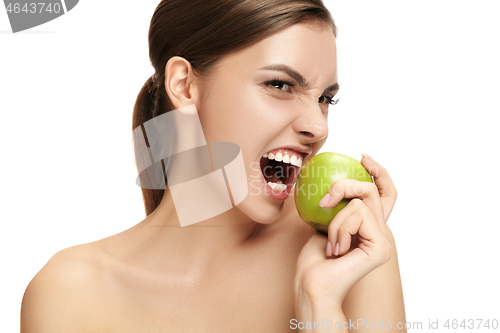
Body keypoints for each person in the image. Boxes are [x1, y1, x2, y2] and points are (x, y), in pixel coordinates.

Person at [20, 0, 406, 331]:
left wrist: (318, 306)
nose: (318, 126)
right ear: (185, 85)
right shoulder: (71, 294)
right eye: (280, 85)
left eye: (325, 99)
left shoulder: (354, 251)